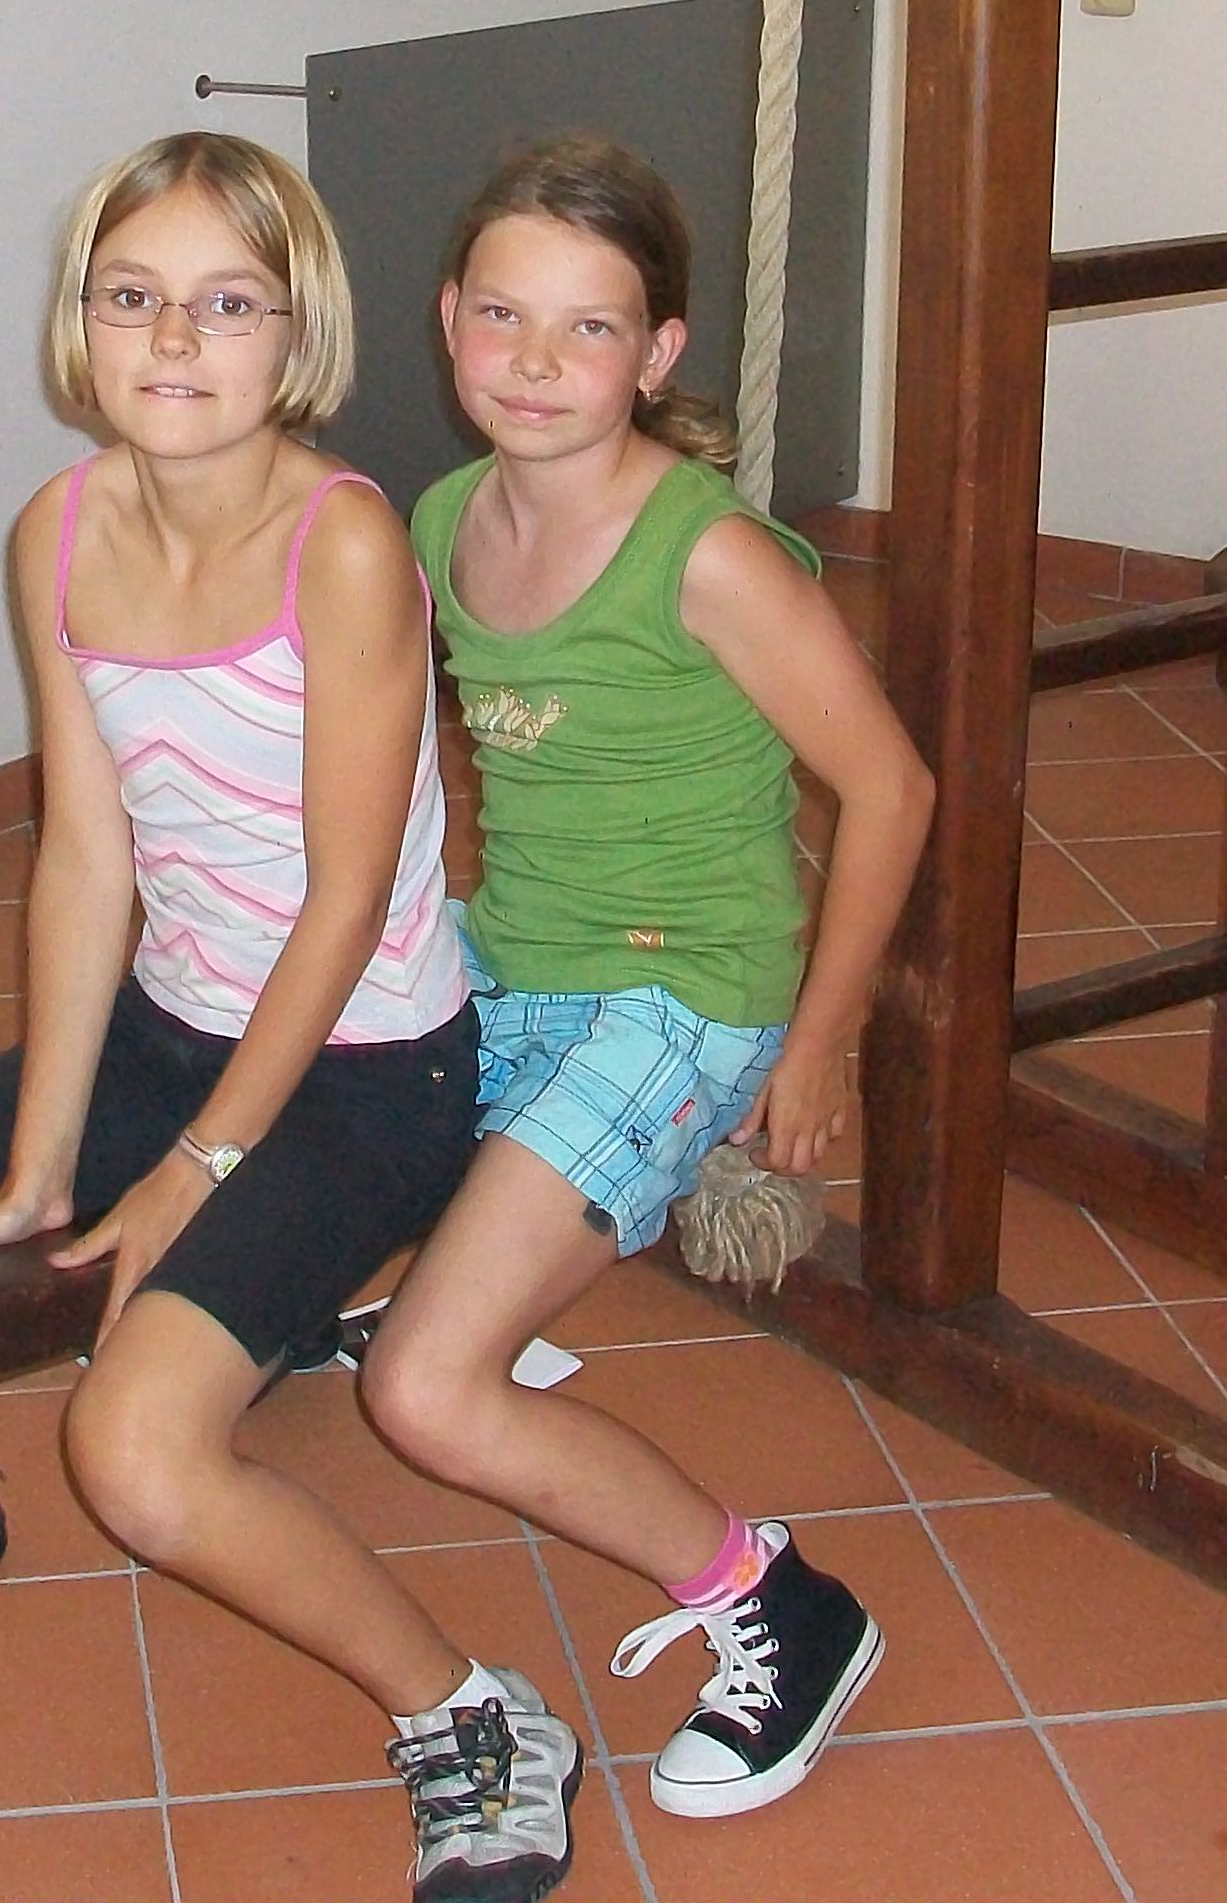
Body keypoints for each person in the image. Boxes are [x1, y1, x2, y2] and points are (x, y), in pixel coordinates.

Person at [0, 132, 586, 1903]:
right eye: (133, 297)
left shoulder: (341, 548)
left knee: (138, 1452)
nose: (174, 340)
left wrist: (196, 1165)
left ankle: (471, 1712)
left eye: (226, 304)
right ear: (79, 323)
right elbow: (87, 855)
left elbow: (345, 898)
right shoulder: (55, 531)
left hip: (365, 1069)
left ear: (295, 337)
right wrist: (45, 1160)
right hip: (168, 1033)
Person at [361, 132, 935, 1821]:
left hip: (682, 987)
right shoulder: (444, 516)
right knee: (284, 1074)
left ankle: (781, 1607)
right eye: (503, 316)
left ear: (658, 352)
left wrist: (819, 1043)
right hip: (516, 948)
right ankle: (460, 1268)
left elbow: (892, 788)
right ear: (447, 320)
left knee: (423, 1388)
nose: (536, 362)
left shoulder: (706, 555)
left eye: (590, 327)